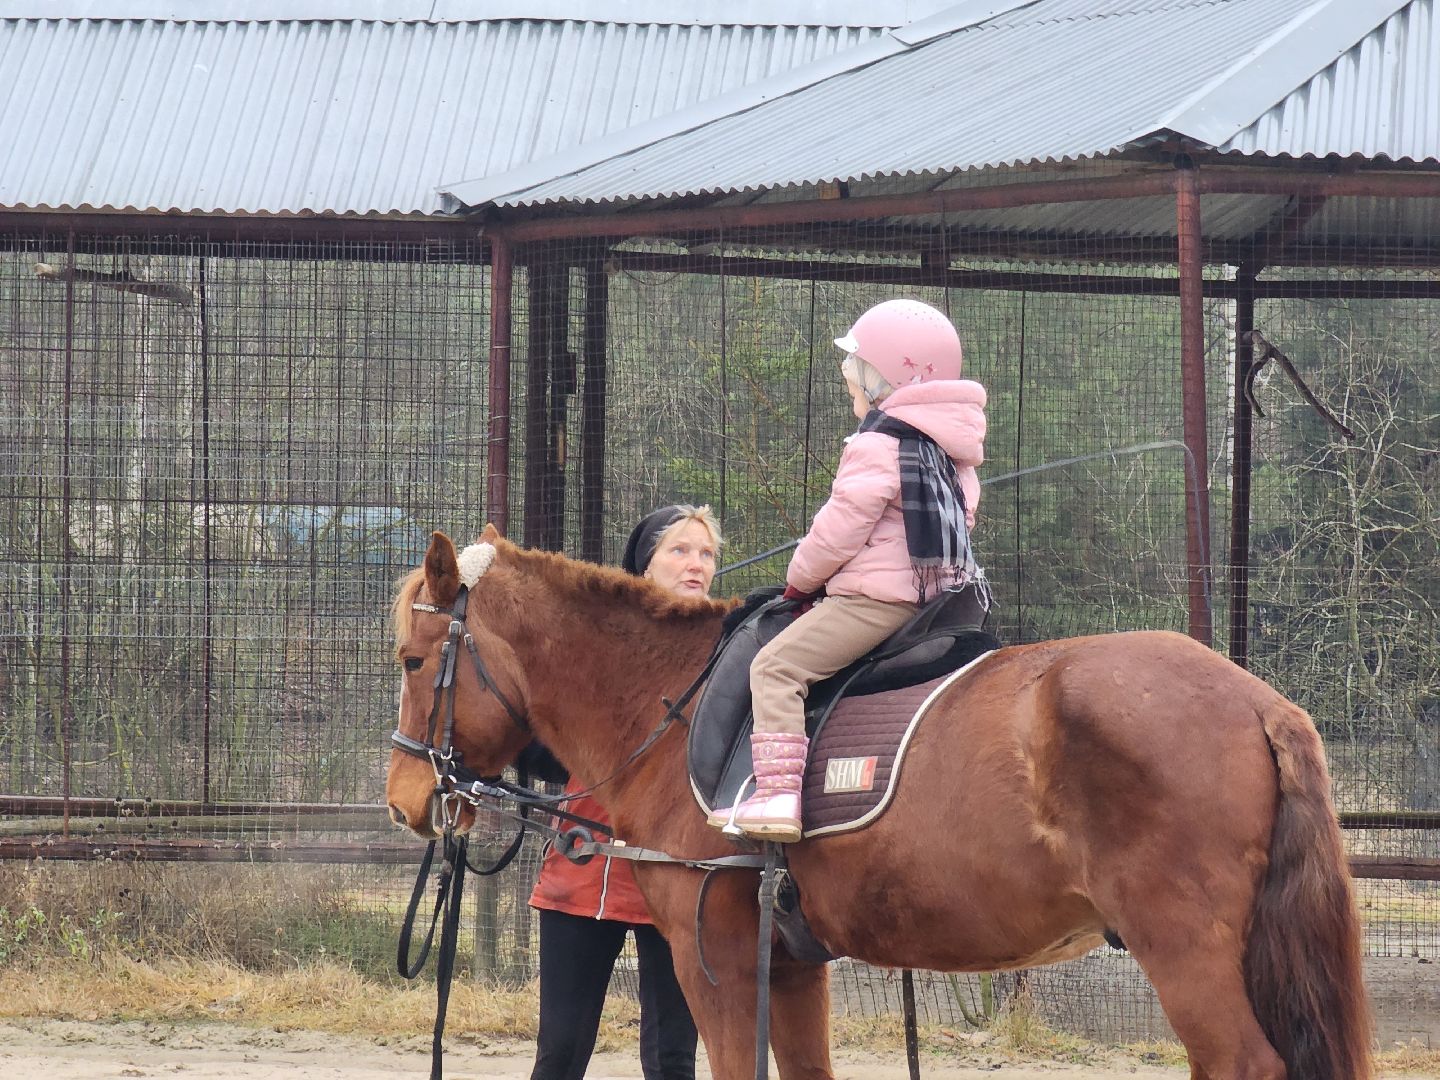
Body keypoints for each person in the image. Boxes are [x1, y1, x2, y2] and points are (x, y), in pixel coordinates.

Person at [712, 299, 987, 843]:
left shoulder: (876, 444)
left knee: (775, 669)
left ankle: (777, 796)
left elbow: (838, 532)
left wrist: (801, 578)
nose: (849, 387)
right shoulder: (949, 453)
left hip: (871, 602)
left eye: (855, 377)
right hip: (937, 599)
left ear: (884, 378)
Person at [525, 504, 721, 1080]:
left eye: (706, 554)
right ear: (644, 563)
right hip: (582, 873)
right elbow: (542, 749)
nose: (696, 565)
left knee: (671, 1061)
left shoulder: (727, 652)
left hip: (678, 880)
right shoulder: (593, 646)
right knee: (559, 1056)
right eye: (680, 550)